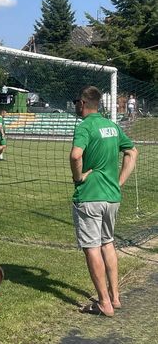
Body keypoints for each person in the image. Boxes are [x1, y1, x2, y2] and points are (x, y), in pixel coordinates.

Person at [70, 86, 138, 317]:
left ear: (82, 103)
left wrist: (78, 177)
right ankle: (115, 297)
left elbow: (76, 155)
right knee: (107, 243)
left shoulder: (85, 126)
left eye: (76, 102)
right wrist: (119, 182)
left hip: (90, 196)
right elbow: (132, 152)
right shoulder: (112, 126)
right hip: (111, 197)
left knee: (91, 248)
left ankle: (104, 303)